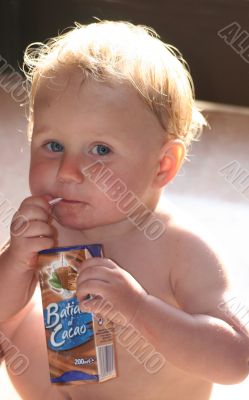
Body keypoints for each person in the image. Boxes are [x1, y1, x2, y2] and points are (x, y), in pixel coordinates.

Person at [0, 20, 248, 400]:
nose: (67, 172)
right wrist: (17, 259)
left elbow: (236, 359)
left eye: (100, 150)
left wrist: (137, 308)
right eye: (52, 145)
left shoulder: (180, 248)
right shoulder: (44, 227)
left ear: (162, 165)